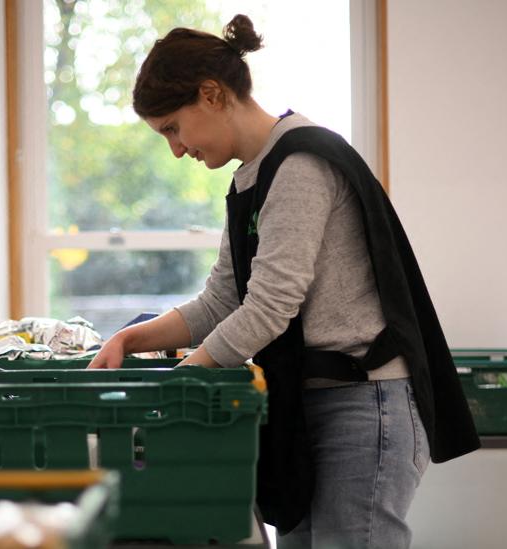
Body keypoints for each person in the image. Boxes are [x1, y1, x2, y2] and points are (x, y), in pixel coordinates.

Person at [87, 15, 480, 549]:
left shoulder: (298, 164)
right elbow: (223, 301)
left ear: (211, 94)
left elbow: (270, 309)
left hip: (364, 406)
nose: (176, 150)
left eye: (173, 129)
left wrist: (182, 381)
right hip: (308, 402)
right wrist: (129, 339)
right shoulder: (250, 175)